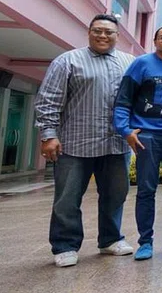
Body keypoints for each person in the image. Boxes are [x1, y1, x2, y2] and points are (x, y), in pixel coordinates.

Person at [35, 14, 135, 268]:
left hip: (115, 144)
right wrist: (48, 134)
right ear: (89, 32)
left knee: (115, 195)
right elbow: (49, 99)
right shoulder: (67, 61)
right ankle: (65, 245)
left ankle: (110, 240)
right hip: (74, 144)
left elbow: (136, 101)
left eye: (108, 32)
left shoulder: (129, 62)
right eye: (97, 31)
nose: (103, 36)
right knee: (67, 198)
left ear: (117, 35)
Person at [113, 25, 162, 261]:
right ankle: (145, 242)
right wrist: (125, 130)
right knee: (146, 190)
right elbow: (123, 99)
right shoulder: (141, 64)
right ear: (155, 41)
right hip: (147, 136)